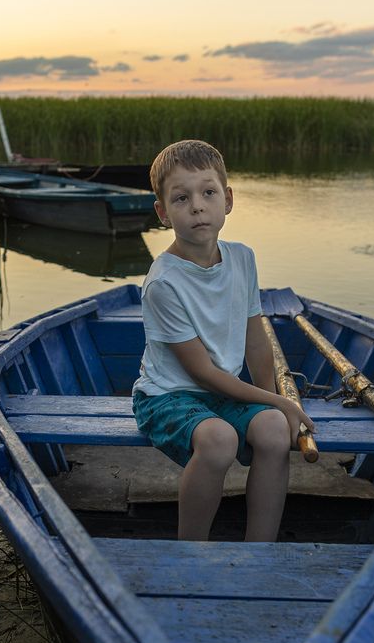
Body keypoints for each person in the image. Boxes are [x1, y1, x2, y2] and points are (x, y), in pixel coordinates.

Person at [131, 139, 315, 542]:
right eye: (181, 198)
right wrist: (280, 399)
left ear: (227, 199)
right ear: (162, 212)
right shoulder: (164, 282)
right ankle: (191, 551)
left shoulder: (242, 259)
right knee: (219, 439)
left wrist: (272, 403)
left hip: (220, 393)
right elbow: (201, 371)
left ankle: (258, 551)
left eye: (208, 192)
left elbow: (254, 339)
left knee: (271, 430)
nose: (197, 206)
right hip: (167, 396)